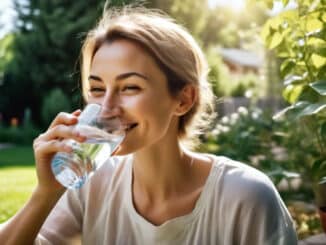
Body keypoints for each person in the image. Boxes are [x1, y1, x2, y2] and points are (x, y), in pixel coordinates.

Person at [0, 6, 297, 245]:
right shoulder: (92, 184)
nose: (107, 108)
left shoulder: (245, 197)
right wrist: (46, 194)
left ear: (183, 99)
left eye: (130, 88)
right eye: (98, 88)